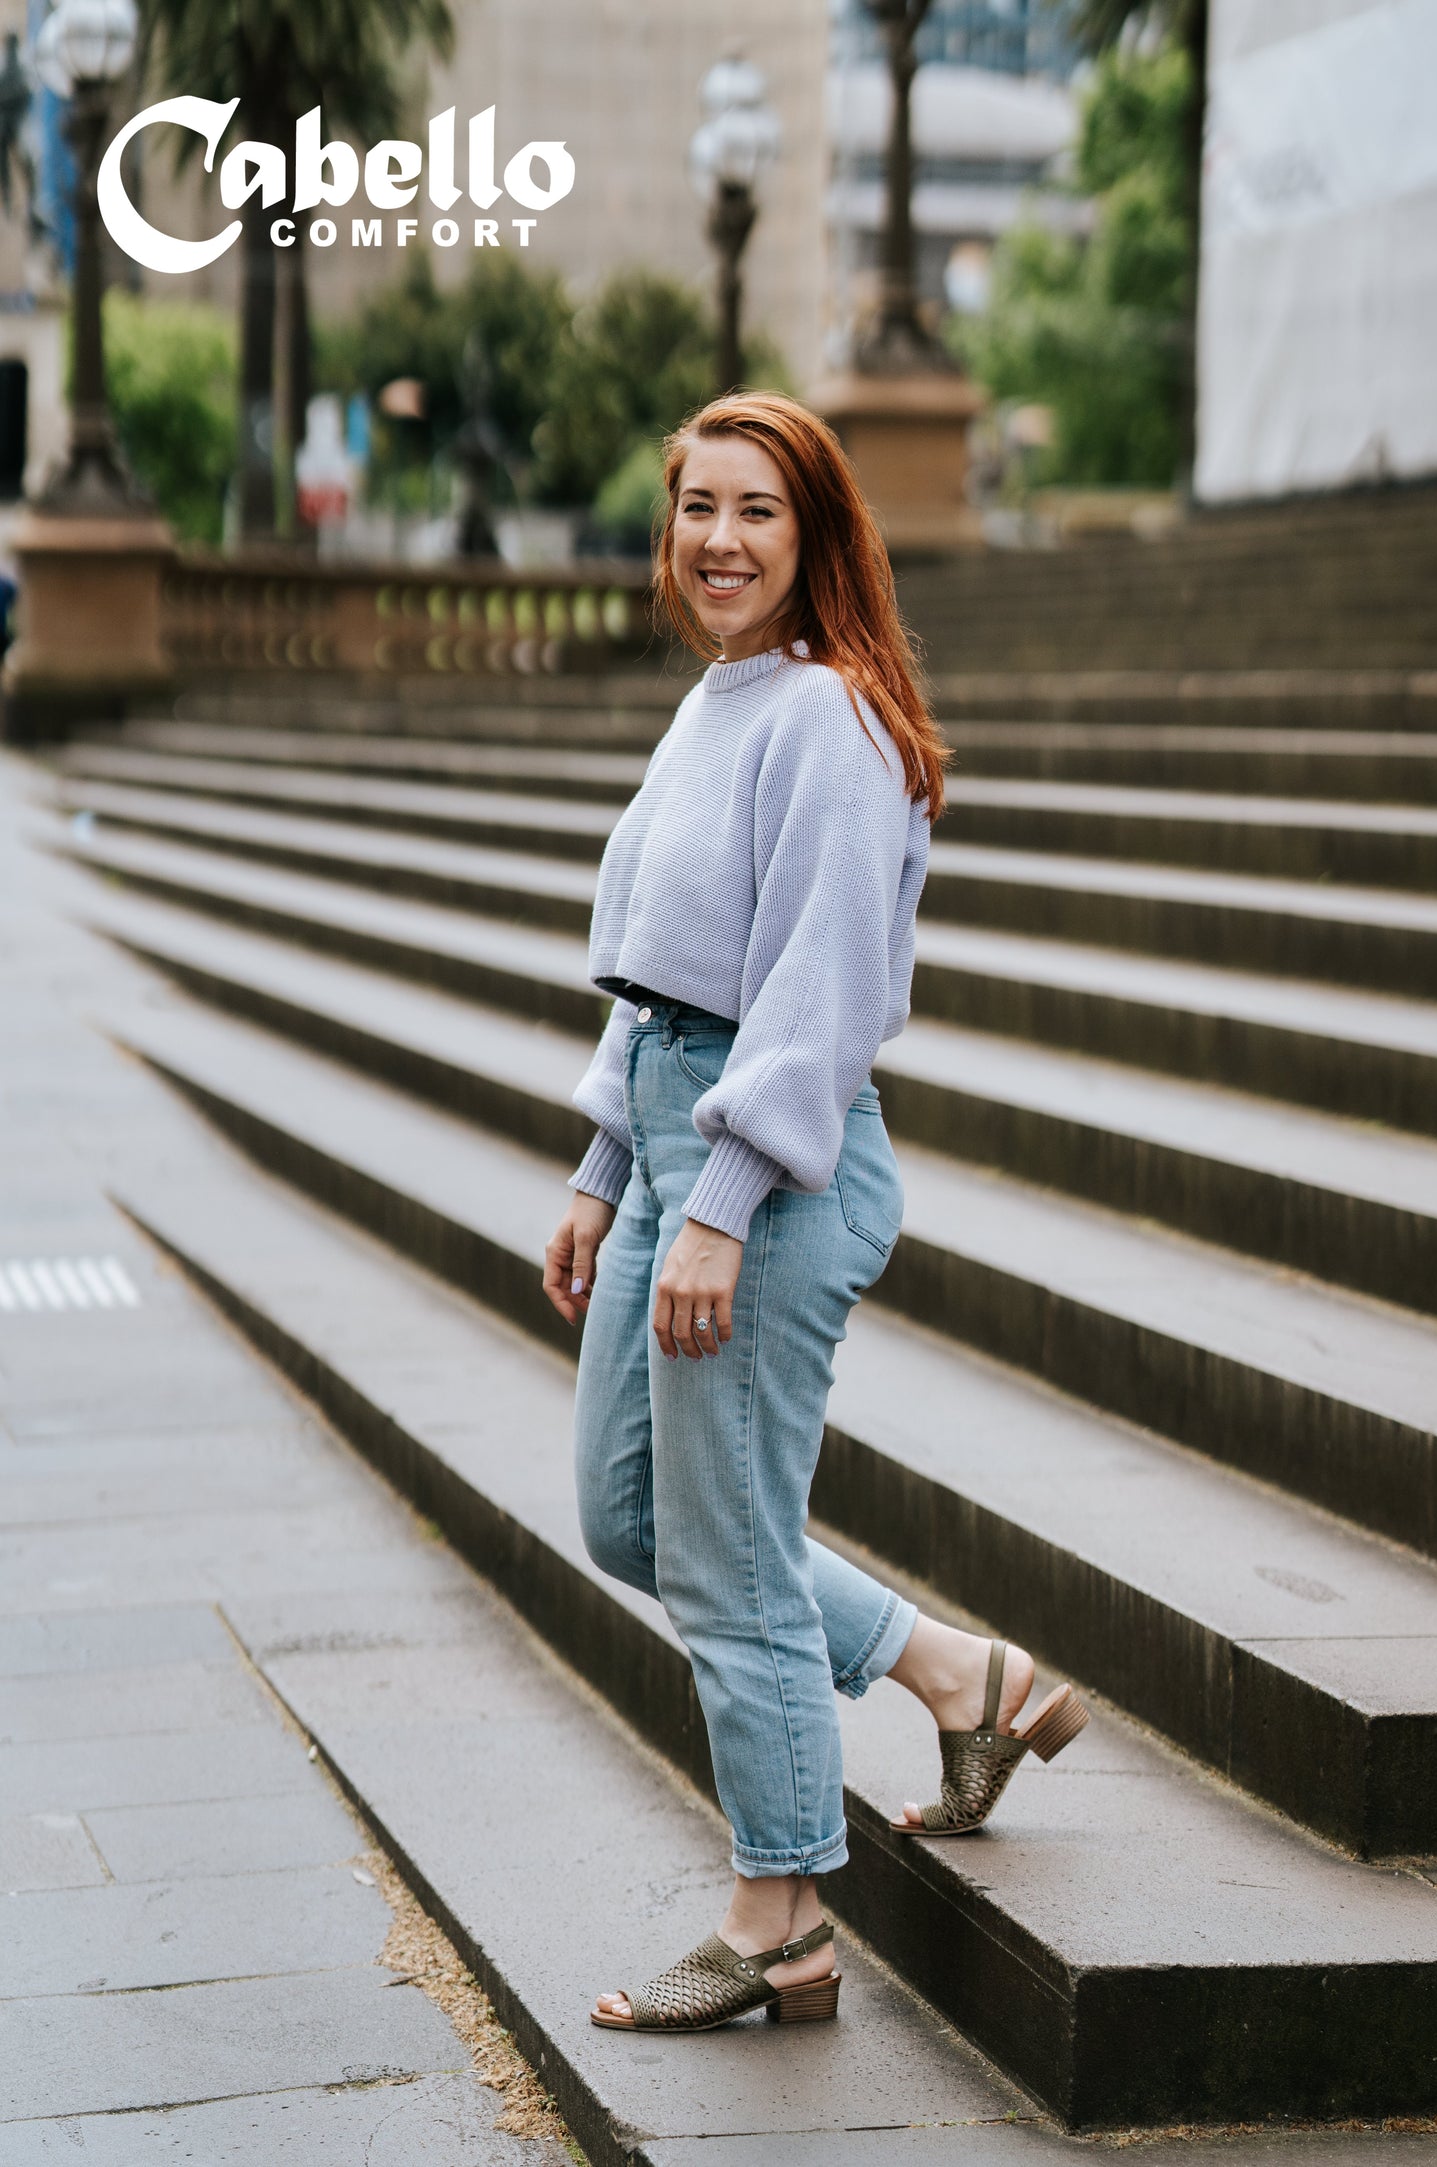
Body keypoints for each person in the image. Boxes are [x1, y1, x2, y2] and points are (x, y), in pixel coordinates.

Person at [542, 391, 1088, 2036]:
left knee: (729, 1568)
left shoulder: (831, 725)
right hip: (676, 1146)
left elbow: (814, 1000)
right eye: (694, 508)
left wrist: (708, 1204)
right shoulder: (724, 699)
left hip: (766, 1174)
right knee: (633, 1519)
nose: (716, 540)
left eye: (754, 512)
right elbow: (656, 977)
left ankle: (778, 1919)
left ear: (817, 534)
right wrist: (599, 1169)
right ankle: (957, 1675)